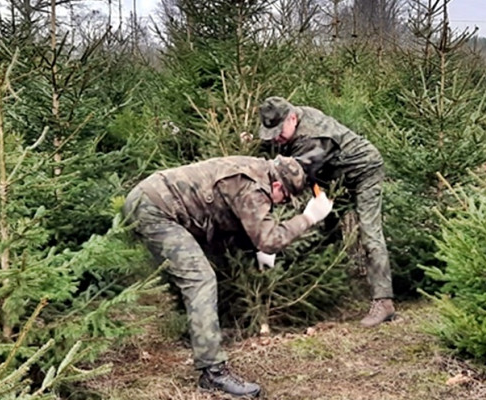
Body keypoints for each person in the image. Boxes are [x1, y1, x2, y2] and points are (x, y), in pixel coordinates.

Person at [122, 155, 333, 397]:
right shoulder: (254, 187)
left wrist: (258, 249)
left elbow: (234, 219)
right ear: (277, 186)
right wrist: (309, 217)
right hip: (156, 209)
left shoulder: (256, 169)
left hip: (157, 200)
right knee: (200, 279)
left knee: (211, 262)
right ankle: (213, 373)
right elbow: (269, 238)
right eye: (284, 198)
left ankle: (202, 337)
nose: (279, 204)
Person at [257, 96, 395, 328]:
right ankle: (331, 289)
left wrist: (270, 233)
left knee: (370, 234)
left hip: (363, 171)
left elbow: (292, 179)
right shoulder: (294, 118)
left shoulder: (315, 139)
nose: (276, 138)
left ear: (292, 118)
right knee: (325, 232)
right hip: (332, 175)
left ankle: (384, 301)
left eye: (279, 131)